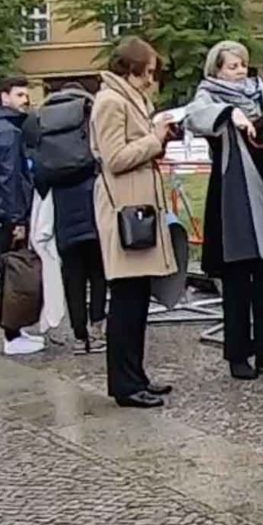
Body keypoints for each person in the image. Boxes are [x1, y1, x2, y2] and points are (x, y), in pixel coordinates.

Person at [184, 41, 263, 381]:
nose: (240, 72)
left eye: (243, 65)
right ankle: (238, 354)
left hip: (262, 197)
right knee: (237, 280)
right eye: (233, 66)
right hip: (232, 199)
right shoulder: (208, 95)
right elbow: (195, 117)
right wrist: (229, 114)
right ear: (217, 70)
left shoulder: (256, 94)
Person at [92, 39, 182, 407]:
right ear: (132, 70)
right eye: (148, 72)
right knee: (127, 300)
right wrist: (155, 139)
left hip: (138, 206)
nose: (151, 80)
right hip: (124, 210)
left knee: (137, 298)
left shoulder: (129, 99)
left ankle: (136, 375)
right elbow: (115, 157)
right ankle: (125, 384)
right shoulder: (110, 102)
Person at [29, 84, 106, 352]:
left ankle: (78, 334)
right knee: (98, 272)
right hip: (92, 201)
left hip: (61, 206)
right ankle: (97, 329)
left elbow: (37, 172)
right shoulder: (89, 113)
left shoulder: (43, 119)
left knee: (72, 274)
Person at [0, 77, 46, 357]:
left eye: (26, 94)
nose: (25, 99)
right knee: (15, 274)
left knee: (10, 272)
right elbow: (10, 179)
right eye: (19, 94)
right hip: (8, 214)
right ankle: (12, 333)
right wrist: (18, 219)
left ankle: (14, 330)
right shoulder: (8, 132)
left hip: (0, 212)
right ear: (4, 97)